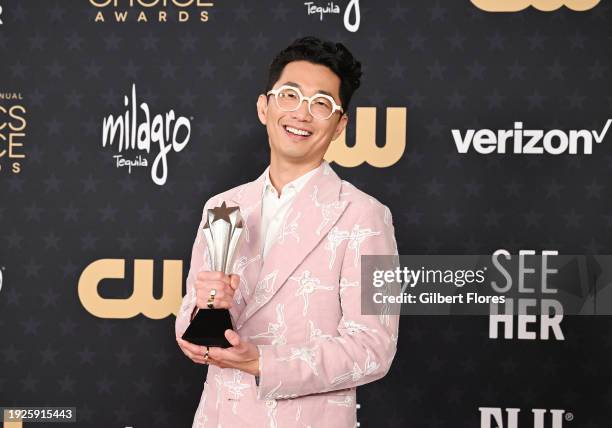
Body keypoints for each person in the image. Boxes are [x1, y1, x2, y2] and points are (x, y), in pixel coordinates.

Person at [175, 35, 399, 428]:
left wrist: (261, 361)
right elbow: (187, 326)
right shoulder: (223, 206)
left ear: (340, 124)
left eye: (321, 104)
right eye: (290, 95)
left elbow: (372, 349)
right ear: (264, 106)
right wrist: (204, 309)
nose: (302, 113)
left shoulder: (367, 216)